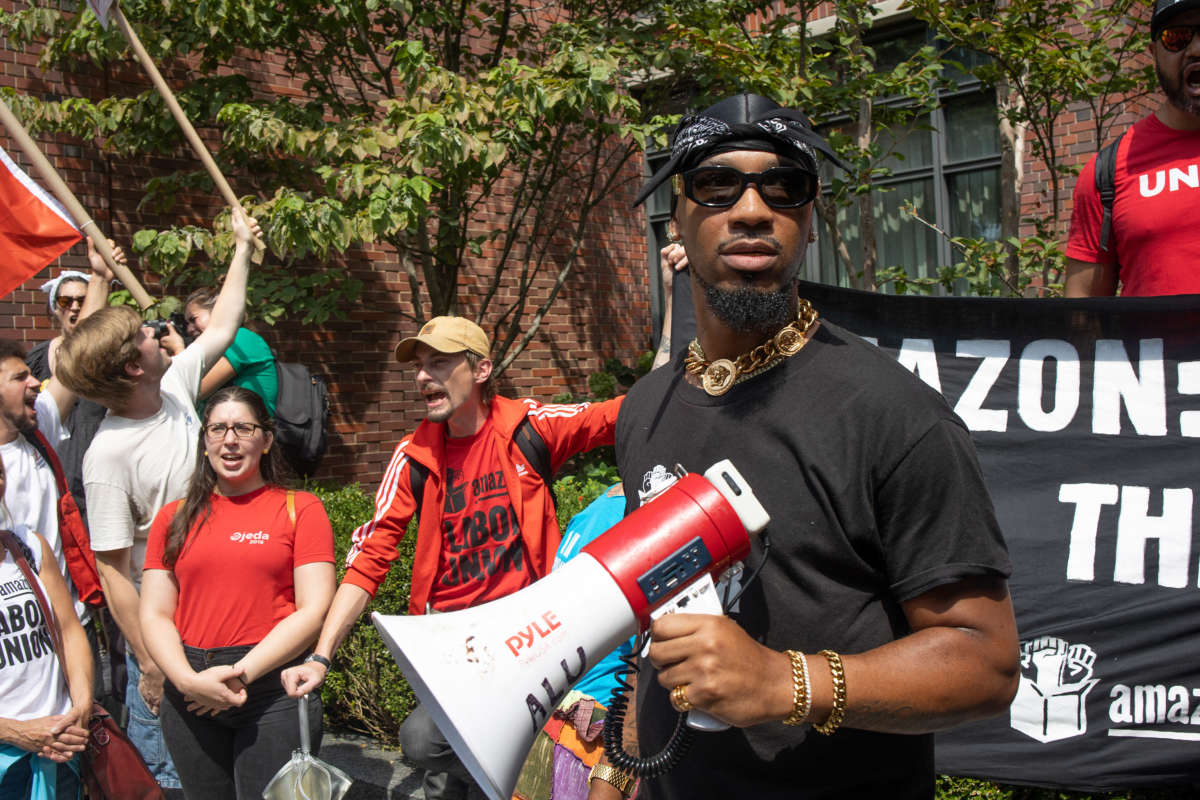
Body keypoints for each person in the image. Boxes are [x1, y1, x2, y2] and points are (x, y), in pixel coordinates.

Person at [586, 93, 1019, 800]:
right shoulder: (645, 408)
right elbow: (662, 626)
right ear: (677, 217)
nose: (752, 209)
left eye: (784, 186)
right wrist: (614, 772)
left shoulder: (896, 415)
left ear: (809, 220)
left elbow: (987, 662)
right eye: (717, 185)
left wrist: (787, 683)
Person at [281, 315, 623, 800]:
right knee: (432, 756)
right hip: (453, 654)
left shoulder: (531, 429)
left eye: (439, 362)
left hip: (528, 643)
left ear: (481, 369)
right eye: (420, 366)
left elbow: (623, 414)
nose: (423, 376)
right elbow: (369, 558)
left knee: (452, 750)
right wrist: (321, 656)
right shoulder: (413, 455)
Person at [54, 208, 262, 794]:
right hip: (165, 627)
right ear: (131, 365)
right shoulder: (108, 457)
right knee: (175, 778)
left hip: (217, 606)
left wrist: (242, 248)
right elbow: (115, 573)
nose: (159, 330)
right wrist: (150, 662)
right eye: (145, 334)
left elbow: (222, 326)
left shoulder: (172, 386)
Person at [139, 386, 336, 799]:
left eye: (243, 428)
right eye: (218, 429)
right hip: (190, 690)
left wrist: (238, 674)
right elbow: (155, 613)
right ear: (205, 442)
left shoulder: (301, 509)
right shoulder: (172, 519)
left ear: (266, 441)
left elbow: (313, 609)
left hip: (271, 691)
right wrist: (186, 681)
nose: (230, 440)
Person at [1064, 0, 1200, 296]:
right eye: (1177, 37)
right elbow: (1081, 321)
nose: (1196, 49)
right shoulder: (1107, 172)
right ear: (1153, 54)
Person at [0, 456, 93, 800]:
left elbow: (69, 630)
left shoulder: (27, 546)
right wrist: (16, 731)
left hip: (59, 749)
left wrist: (81, 707)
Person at [181, 289, 278, 415]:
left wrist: (178, 348)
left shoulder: (241, 339)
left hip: (244, 430)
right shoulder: (220, 346)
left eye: (193, 319)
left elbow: (194, 390)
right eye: (187, 323)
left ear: (217, 311)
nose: (189, 329)